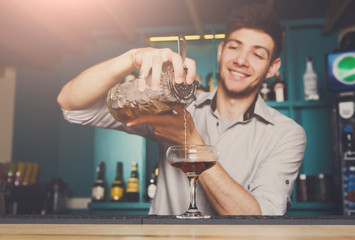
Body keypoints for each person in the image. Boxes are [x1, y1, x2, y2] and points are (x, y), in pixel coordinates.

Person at [57, 3, 306, 215]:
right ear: (220, 51)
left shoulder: (285, 134)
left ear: (273, 68)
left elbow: (259, 219)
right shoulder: (173, 107)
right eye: (234, 47)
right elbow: (73, 104)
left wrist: (190, 141)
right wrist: (131, 58)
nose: (241, 60)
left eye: (257, 54)